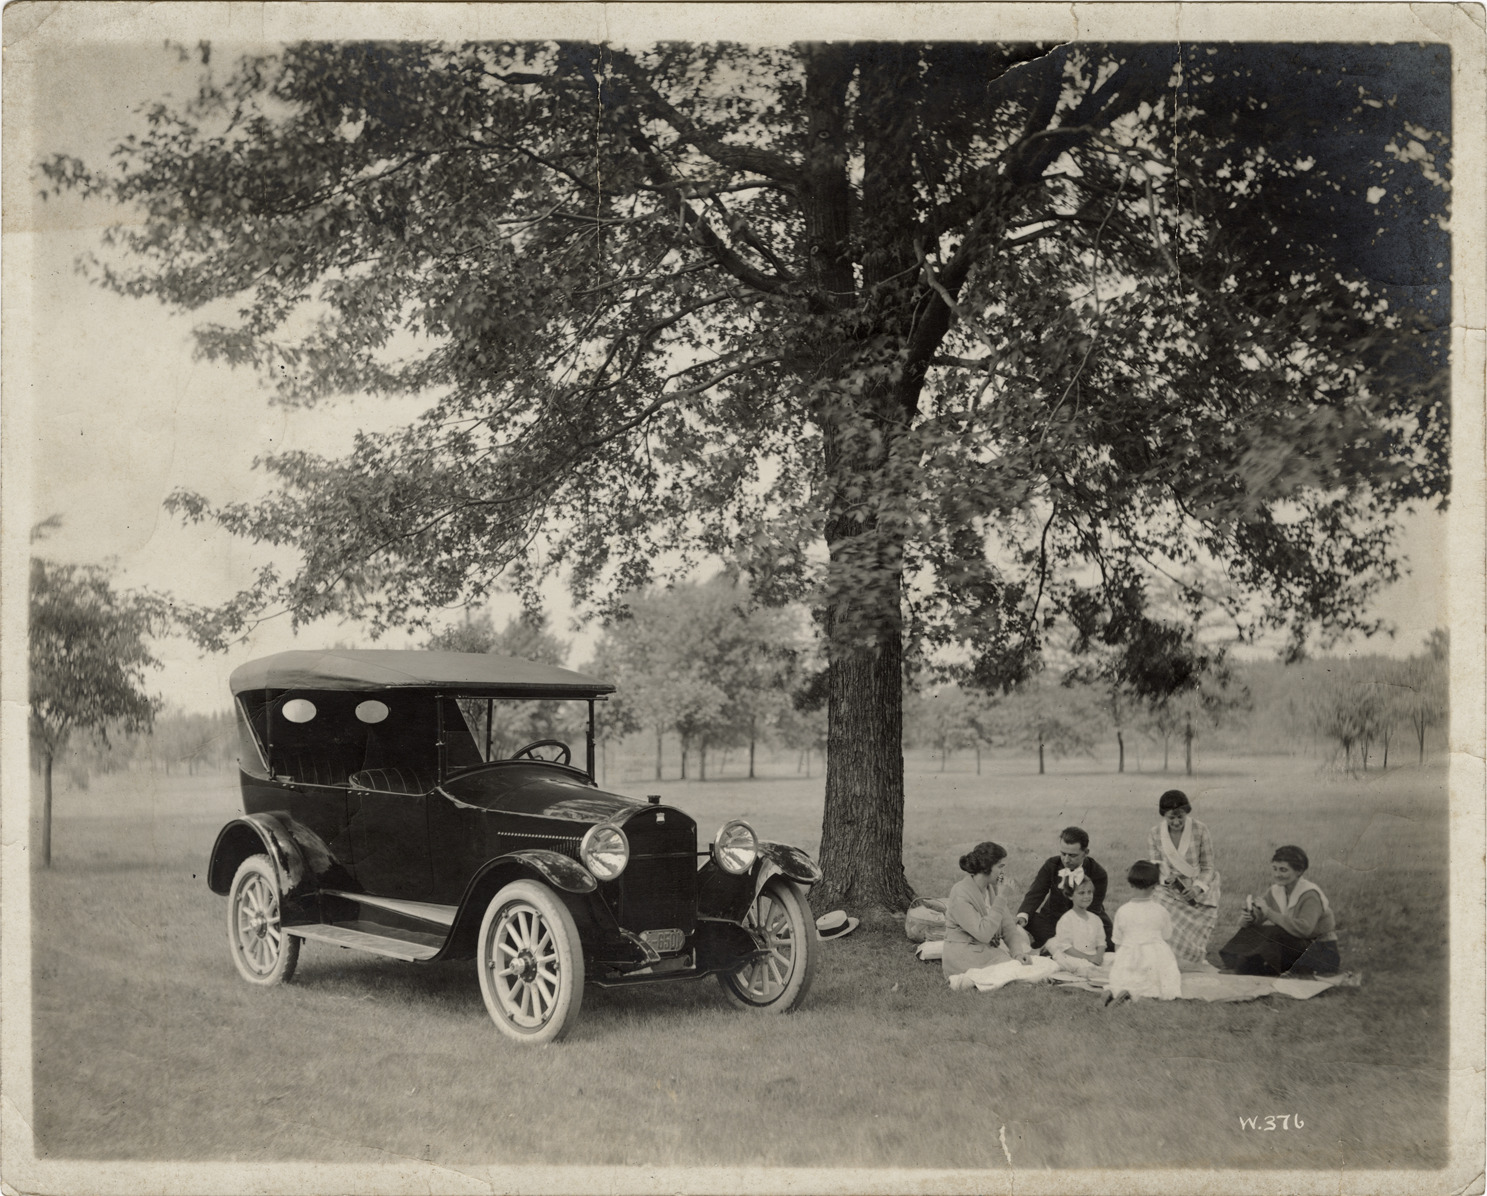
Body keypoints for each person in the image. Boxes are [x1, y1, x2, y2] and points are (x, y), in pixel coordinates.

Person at [1219, 845, 1341, 976]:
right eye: (1275, 869)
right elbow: (1259, 915)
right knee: (1257, 930)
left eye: (1283, 870)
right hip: (1297, 946)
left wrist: (1268, 912)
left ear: (1299, 871)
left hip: (1321, 951)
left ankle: (1250, 967)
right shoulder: (1276, 890)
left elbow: (1304, 929)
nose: (1277, 874)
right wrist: (1250, 917)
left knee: (1275, 932)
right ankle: (1235, 963)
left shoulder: (1310, 894)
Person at [1146, 789, 1221, 969]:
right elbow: (1156, 866)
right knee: (1156, 907)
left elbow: (1208, 866)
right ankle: (1163, 956)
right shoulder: (1155, 833)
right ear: (1164, 815)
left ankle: (1192, 958)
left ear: (1187, 812)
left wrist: (1196, 888)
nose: (1176, 822)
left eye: (1180, 816)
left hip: (1199, 886)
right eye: (1171, 817)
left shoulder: (1200, 829)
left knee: (1199, 917)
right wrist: (1166, 879)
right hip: (1170, 887)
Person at [942, 841, 1034, 979]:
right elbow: (984, 934)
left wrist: (1017, 953)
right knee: (1018, 970)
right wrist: (1001, 897)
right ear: (986, 867)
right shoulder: (960, 892)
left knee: (1025, 963)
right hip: (963, 955)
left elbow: (1008, 927)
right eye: (1000, 867)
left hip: (983, 950)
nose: (1003, 873)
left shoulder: (991, 889)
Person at [1016, 825, 1113, 951]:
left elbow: (1092, 908)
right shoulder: (1052, 864)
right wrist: (1023, 916)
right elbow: (1036, 893)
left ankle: (1056, 945)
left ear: (1086, 853)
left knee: (1108, 942)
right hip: (1052, 920)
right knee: (1029, 918)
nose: (1066, 860)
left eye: (1072, 855)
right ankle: (1057, 944)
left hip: (1085, 919)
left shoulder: (1098, 873)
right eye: (1063, 853)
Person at [1105, 860, 1182, 1005]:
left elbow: (1117, 941)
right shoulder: (1161, 911)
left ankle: (1120, 991)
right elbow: (1166, 936)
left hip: (1128, 955)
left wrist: (1119, 962)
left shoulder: (1122, 911)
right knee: (1158, 981)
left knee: (1125, 978)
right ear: (1155, 886)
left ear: (1130, 884)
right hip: (1153, 957)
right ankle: (1145, 995)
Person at [1045, 876, 1107, 976]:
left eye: (1089, 892)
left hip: (1093, 954)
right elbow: (1066, 947)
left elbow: (1101, 943)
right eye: (1081, 893)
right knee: (1084, 967)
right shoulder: (1067, 919)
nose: (1087, 896)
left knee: (1114, 959)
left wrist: (1099, 956)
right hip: (1073, 956)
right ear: (1070, 896)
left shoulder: (1096, 919)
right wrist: (1089, 958)